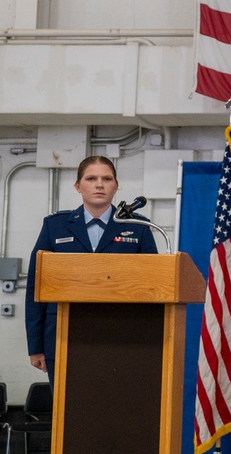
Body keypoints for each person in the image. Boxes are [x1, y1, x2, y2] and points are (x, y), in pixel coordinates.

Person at [25, 154, 159, 381]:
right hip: (62, 336)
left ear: (116, 186)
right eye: (91, 178)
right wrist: (35, 345)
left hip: (123, 339)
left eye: (107, 179)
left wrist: (151, 341)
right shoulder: (55, 226)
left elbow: (153, 287)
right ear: (78, 186)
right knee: (67, 411)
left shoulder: (138, 227)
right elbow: (35, 288)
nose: (99, 184)